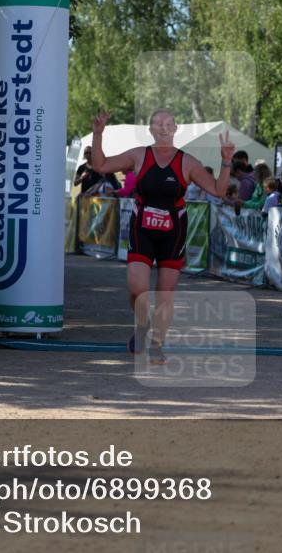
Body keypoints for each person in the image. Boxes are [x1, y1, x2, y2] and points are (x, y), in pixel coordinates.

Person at [89, 109, 234, 364]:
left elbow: (218, 190)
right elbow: (100, 165)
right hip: (142, 227)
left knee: (165, 294)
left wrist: (226, 161)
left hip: (173, 232)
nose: (163, 128)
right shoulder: (139, 155)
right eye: (158, 123)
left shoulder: (186, 162)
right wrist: (98, 134)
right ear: (151, 129)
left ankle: (157, 344)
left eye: (168, 123)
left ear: (176, 128)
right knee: (137, 288)